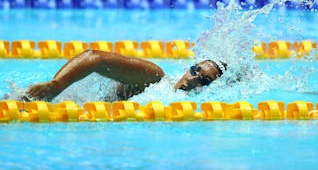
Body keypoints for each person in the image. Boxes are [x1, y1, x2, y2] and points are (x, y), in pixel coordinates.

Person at [23, 49, 227, 102]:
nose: (192, 79)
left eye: (204, 81)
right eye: (195, 70)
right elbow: (94, 58)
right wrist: (56, 86)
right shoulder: (154, 79)